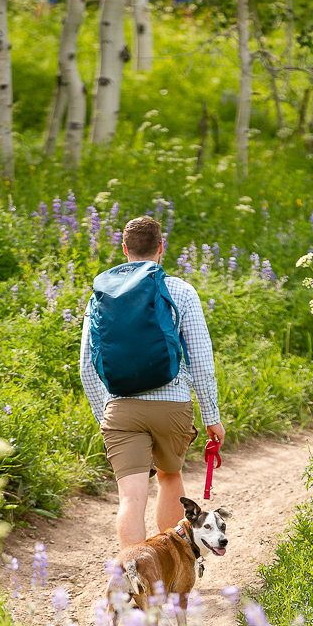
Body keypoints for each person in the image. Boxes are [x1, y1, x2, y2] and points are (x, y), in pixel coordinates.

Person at [80, 216, 226, 550]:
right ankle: (171, 578)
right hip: (171, 405)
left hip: (120, 408)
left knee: (130, 499)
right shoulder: (181, 291)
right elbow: (201, 361)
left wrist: (105, 415)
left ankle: (134, 576)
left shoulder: (99, 296)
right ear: (161, 247)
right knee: (169, 477)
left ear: (124, 248)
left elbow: (87, 368)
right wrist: (211, 416)